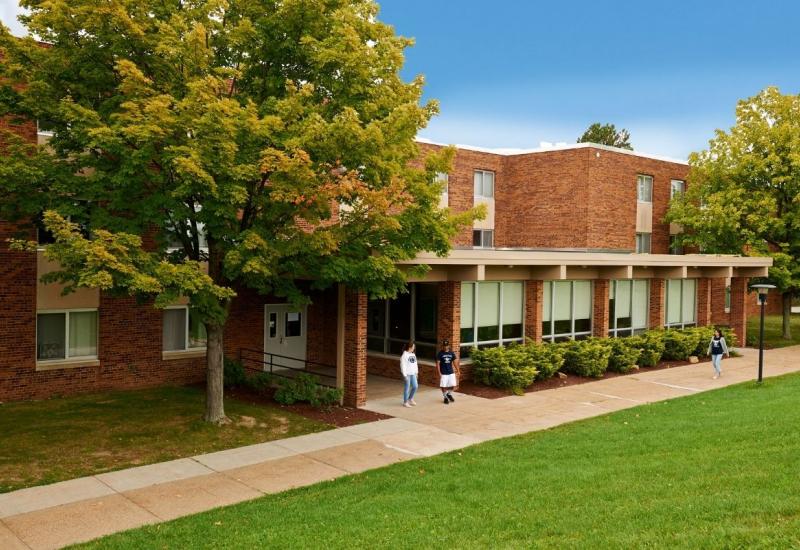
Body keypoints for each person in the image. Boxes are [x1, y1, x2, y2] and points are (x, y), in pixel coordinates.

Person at [436, 339, 458, 405]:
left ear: (449, 346)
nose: (445, 347)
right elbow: (438, 364)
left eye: (447, 345)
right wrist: (439, 372)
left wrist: (458, 370)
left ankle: (449, 394)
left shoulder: (451, 353)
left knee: (453, 385)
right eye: (444, 346)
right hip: (443, 373)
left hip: (451, 372)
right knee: (443, 386)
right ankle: (445, 397)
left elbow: (454, 362)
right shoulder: (440, 354)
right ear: (442, 346)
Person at [400, 341, 418, 407]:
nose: (414, 348)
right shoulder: (404, 355)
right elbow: (403, 366)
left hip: (413, 373)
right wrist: (404, 375)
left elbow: (415, 364)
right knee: (407, 388)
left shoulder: (413, 354)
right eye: (413, 347)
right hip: (407, 374)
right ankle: (405, 402)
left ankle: (410, 399)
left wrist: (416, 373)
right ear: (410, 347)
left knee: (415, 386)